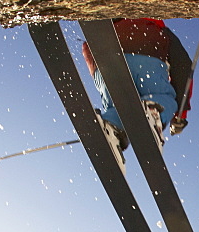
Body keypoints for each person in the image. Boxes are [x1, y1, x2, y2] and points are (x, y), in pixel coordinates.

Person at [81, 18, 192, 150]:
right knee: (164, 98)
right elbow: (183, 65)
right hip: (146, 56)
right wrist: (180, 113)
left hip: (105, 63)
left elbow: (87, 46)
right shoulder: (158, 27)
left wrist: (97, 71)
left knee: (116, 108)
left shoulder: (107, 23)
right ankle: (153, 111)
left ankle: (111, 127)